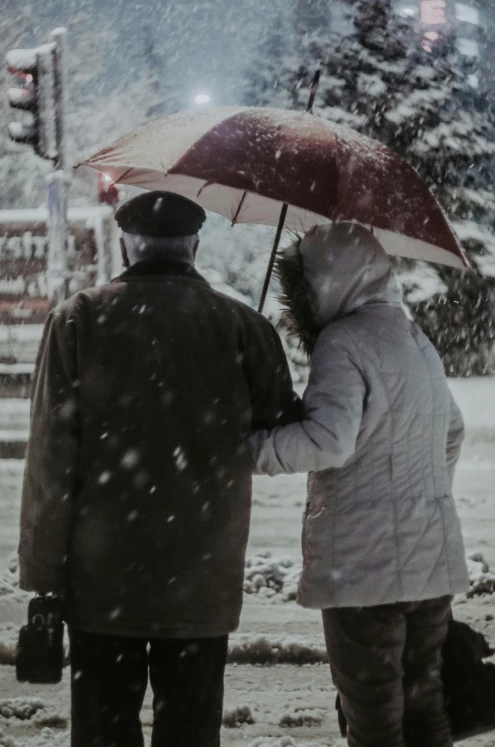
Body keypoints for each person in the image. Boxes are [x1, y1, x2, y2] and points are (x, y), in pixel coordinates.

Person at [18, 191, 300, 747]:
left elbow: (51, 459)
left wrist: (44, 574)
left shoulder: (77, 320)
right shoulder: (240, 325)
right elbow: (281, 423)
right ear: (194, 244)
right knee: (191, 732)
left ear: (127, 248)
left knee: (103, 730)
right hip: (201, 579)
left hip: (102, 582)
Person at [249, 222, 469, 747]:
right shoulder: (416, 340)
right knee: (425, 712)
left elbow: (328, 442)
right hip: (430, 567)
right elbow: (454, 431)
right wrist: (421, 496)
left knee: (373, 720)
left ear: (325, 283)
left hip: (363, 572)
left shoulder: (342, 342)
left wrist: (249, 450)